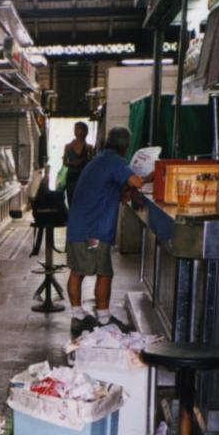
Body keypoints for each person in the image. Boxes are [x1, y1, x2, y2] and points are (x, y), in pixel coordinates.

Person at [65, 126, 149, 337]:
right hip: (93, 232)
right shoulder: (115, 161)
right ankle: (104, 318)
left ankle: (77, 316)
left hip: (78, 225)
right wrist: (151, 175)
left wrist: (125, 191)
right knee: (104, 272)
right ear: (126, 145)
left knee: (77, 270)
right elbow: (136, 181)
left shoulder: (99, 158)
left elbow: (118, 192)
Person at [62, 121, 94, 206]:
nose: (75, 131)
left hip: (84, 176)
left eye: (78, 129)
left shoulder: (89, 148)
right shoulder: (68, 147)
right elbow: (65, 163)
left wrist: (83, 161)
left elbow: (92, 163)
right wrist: (73, 163)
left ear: (85, 131)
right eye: (75, 129)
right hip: (71, 176)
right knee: (71, 199)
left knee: (83, 200)